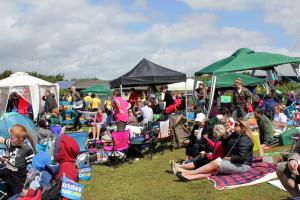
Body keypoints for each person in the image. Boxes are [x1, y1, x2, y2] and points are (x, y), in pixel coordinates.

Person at [176, 120, 253, 181]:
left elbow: (241, 158)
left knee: (216, 163)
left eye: (236, 125)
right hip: (234, 162)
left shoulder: (245, 139)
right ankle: (189, 177)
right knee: (212, 170)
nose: (233, 126)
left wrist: (229, 158)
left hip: (242, 165)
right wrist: (226, 134)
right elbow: (224, 145)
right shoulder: (234, 135)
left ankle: (190, 172)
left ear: (242, 127)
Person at [0, 124, 36, 197]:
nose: (10, 139)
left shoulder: (27, 150)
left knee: (16, 197)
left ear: (21, 139)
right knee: (10, 196)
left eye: (12, 138)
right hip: (9, 179)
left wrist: (28, 184)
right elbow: (2, 139)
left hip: (18, 183)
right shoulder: (11, 143)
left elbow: (33, 168)